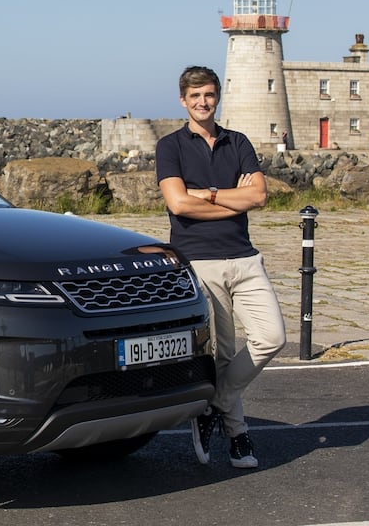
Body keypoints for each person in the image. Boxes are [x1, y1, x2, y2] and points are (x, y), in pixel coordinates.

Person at [155, 66, 286, 469]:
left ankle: (214, 404)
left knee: (272, 337)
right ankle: (239, 436)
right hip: (201, 262)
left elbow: (260, 196)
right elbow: (178, 204)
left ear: (217, 97)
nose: (203, 102)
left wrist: (207, 194)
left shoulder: (238, 142)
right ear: (183, 100)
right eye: (195, 96)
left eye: (209, 95)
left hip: (245, 258)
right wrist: (232, 197)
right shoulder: (170, 146)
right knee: (225, 354)